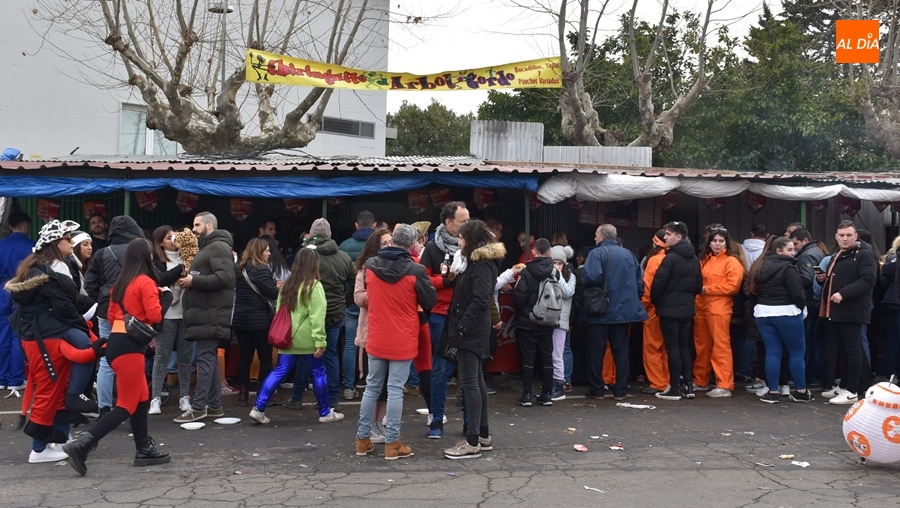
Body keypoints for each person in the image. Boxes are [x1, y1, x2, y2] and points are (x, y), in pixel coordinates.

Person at [63, 238, 172, 476]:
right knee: (126, 404)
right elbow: (155, 316)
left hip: (116, 343)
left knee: (141, 399)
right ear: (146, 256)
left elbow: (112, 316)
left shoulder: (119, 284)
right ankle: (82, 446)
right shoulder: (145, 282)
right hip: (130, 348)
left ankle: (143, 449)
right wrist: (166, 298)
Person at [5, 220, 103, 463]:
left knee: (58, 391)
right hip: (45, 338)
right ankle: (39, 450)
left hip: (44, 336)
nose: (72, 242)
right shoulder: (50, 271)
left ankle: (59, 439)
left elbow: (69, 303)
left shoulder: (42, 267)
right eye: (68, 239)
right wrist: (85, 323)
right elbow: (66, 306)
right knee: (50, 392)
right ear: (56, 243)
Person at [355, 224, 437, 460]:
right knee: (395, 390)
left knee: (372, 387)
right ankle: (392, 443)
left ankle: (362, 440)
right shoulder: (415, 270)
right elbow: (429, 299)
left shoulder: (371, 265)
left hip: (377, 334)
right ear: (412, 246)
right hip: (403, 336)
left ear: (392, 241)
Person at [249, 248, 344, 425]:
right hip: (308, 339)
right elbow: (317, 316)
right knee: (318, 373)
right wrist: (320, 340)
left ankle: (258, 408)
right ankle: (325, 412)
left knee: (278, 372)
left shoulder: (286, 286)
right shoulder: (314, 286)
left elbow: (279, 312)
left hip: (287, 338)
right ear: (315, 264)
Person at [441, 220, 503, 459]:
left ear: (472, 240)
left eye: (462, 238)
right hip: (473, 328)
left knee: (470, 383)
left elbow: (481, 299)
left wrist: (463, 326)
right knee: (476, 380)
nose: (459, 242)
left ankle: (473, 441)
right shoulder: (475, 261)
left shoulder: (482, 263)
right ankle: (483, 435)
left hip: (472, 330)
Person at [174, 212, 235, 423]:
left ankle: (198, 408)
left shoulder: (217, 247)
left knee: (205, 359)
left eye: (197, 225)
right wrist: (192, 277)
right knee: (210, 359)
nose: (193, 230)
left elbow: (225, 277)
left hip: (211, 314)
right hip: (207, 313)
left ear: (209, 226)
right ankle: (215, 406)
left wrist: (194, 281)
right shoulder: (208, 248)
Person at [85, 215, 146, 417]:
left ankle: (104, 407)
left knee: (106, 360)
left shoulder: (101, 253)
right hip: (134, 312)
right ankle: (131, 405)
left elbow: (90, 285)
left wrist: (101, 299)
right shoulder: (140, 251)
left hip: (106, 311)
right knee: (133, 358)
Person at [291, 218, 354, 408]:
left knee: (306, 354)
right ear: (330, 234)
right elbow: (355, 283)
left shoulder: (306, 256)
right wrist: (345, 301)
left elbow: (295, 282)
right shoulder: (343, 257)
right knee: (331, 354)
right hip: (335, 312)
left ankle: (297, 398)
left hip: (308, 313)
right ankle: (333, 397)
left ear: (312, 234)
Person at [419, 201, 469, 439]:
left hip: (467, 315)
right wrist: (446, 280)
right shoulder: (432, 248)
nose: (467, 225)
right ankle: (436, 420)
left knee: (468, 370)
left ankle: (470, 422)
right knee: (440, 370)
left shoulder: (474, 247)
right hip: (440, 315)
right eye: (463, 221)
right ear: (448, 223)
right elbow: (424, 281)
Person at [582, 224, 648, 400]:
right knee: (621, 351)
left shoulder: (596, 253)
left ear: (602, 237)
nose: (595, 238)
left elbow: (592, 277)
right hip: (623, 312)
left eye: (596, 235)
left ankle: (597, 389)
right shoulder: (629, 254)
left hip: (600, 311)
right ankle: (620, 390)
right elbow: (639, 283)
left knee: (596, 352)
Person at [746, 237, 814, 403]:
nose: (793, 253)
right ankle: (801, 391)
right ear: (779, 250)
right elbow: (798, 293)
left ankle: (773, 391)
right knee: (796, 352)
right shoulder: (788, 267)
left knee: (772, 352)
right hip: (787, 312)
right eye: (789, 249)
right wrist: (801, 307)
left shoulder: (759, 266)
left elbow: (751, 291)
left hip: (764, 313)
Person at [817, 221, 877, 405]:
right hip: (836, 310)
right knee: (844, 349)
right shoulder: (840, 254)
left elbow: (868, 280)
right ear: (836, 237)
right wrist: (822, 280)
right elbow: (839, 279)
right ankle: (844, 386)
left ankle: (852, 391)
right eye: (841, 235)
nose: (845, 238)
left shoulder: (864, 254)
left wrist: (843, 293)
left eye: (849, 235)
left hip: (852, 310)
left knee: (853, 350)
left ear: (855, 236)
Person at [349, 228, 394, 442]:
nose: (389, 246)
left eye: (391, 242)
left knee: (386, 387)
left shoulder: (396, 267)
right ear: (375, 247)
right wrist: (380, 293)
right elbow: (358, 297)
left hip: (391, 331)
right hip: (371, 333)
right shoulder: (365, 270)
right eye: (385, 243)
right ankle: (367, 428)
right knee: (374, 384)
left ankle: (378, 423)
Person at [652, 221, 703, 401]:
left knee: (672, 348)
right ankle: (688, 386)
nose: (665, 237)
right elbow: (699, 285)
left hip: (669, 309)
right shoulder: (695, 259)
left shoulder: (670, 258)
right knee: (684, 347)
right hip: (687, 308)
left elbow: (658, 283)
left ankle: (674, 388)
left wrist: (657, 301)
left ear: (678, 236)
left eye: (668, 234)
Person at [694, 225, 744, 398]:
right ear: (709, 242)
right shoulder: (704, 260)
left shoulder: (731, 261)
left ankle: (724, 384)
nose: (717, 244)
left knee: (720, 346)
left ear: (726, 243)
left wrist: (707, 289)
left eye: (721, 241)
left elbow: (733, 286)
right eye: (714, 241)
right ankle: (700, 380)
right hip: (702, 306)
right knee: (702, 345)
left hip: (719, 307)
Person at [232, 237, 280, 406]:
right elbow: (272, 293)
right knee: (265, 357)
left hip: (240, 319)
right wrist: (278, 286)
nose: (269, 253)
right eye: (266, 250)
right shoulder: (261, 269)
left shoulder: (238, 268)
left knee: (244, 357)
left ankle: (243, 394)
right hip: (259, 321)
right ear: (259, 252)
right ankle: (265, 394)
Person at [148, 226, 191, 414]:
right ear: (160, 243)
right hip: (167, 315)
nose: (174, 240)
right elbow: (161, 280)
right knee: (161, 357)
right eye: (169, 237)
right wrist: (182, 269)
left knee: (185, 358)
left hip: (186, 313)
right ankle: (155, 398)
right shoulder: (156, 261)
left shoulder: (188, 257)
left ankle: (185, 397)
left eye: (175, 236)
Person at [513, 238, 557, 406]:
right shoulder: (555, 271)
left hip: (528, 321)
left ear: (533, 251)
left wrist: (524, 311)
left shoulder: (526, 272)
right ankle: (547, 393)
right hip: (549, 320)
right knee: (547, 357)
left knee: (528, 358)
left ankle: (527, 394)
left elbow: (519, 297)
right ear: (549, 252)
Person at [339, 210, 376, 400]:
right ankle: (372, 385)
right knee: (374, 345)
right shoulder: (379, 245)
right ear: (374, 225)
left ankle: (349, 386)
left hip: (352, 302)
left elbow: (342, 277)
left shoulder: (344, 246)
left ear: (356, 225)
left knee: (351, 344)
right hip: (375, 303)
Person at [0, 210, 34, 392]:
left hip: (2, 292)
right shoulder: (33, 247)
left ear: (10, 225)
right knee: (18, 335)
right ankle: (15, 379)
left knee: (2, 334)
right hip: (24, 291)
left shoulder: (1, 246)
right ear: (26, 226)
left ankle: (1, 377)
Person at [789, 228, 825, 386]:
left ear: (805, 240)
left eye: (796, 244)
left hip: (808, 303)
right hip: (815, 302)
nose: (794, 247)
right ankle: (811, 375)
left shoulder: (806, 255)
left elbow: (807, 279)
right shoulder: (817, 251)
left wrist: (790, 281)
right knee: (813, 341)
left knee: (805, 342)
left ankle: (805, 376)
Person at [640, 230, 669, 394]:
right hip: (671, 308)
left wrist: (642, 306)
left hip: (653, 309)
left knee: (652, 347)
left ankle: (658, 382)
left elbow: (648, 287)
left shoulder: (654, 260)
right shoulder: (674, 258)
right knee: (667, 347)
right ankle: (668, 380)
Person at [549, 245, 576, 401]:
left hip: (561, 321)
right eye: (554, 263)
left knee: (558, 354)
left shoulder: (570, 277)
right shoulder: (547, 276)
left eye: (559, 263)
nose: (556, 266)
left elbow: (567, 292)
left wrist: (558, 276)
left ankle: (560, 385)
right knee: (548, 354)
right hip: (547, 320)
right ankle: (550, 384)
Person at [65, 230, 92, 295]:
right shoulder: (69, 266)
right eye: (85, 244)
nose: (90, 248)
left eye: (91, 244)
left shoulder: (89, 266)